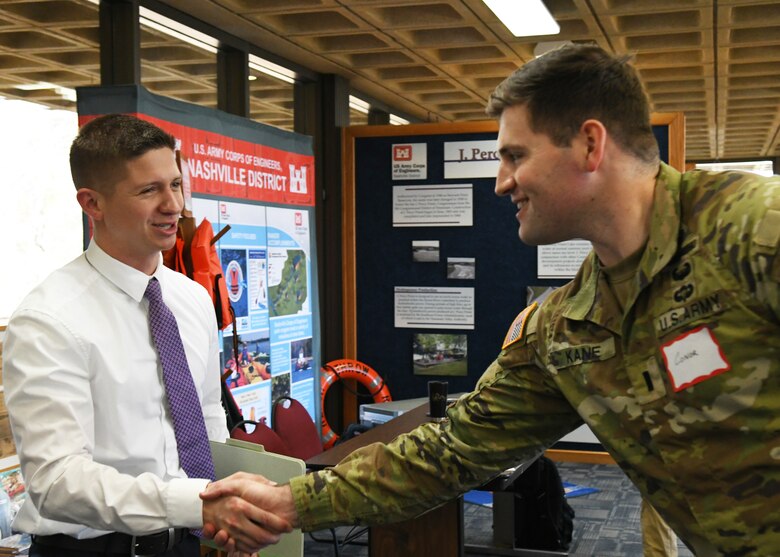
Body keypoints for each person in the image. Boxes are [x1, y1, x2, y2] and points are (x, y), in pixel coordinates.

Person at [201, 44, 780, 556]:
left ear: (589, 143)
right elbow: (454, 450)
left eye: (515, 155)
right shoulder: (565, 327)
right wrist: (289, 503)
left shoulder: (751, 230)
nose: (501, 181)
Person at [3, 114, 290, 556]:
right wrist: (196, 506)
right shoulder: (49, 320)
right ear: (92, 204)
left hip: (192, 542)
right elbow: (56, 482)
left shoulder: (192, 299)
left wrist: (225, 521)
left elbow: (209, 419)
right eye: (149, 190)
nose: (173, 204)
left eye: (175, 184)